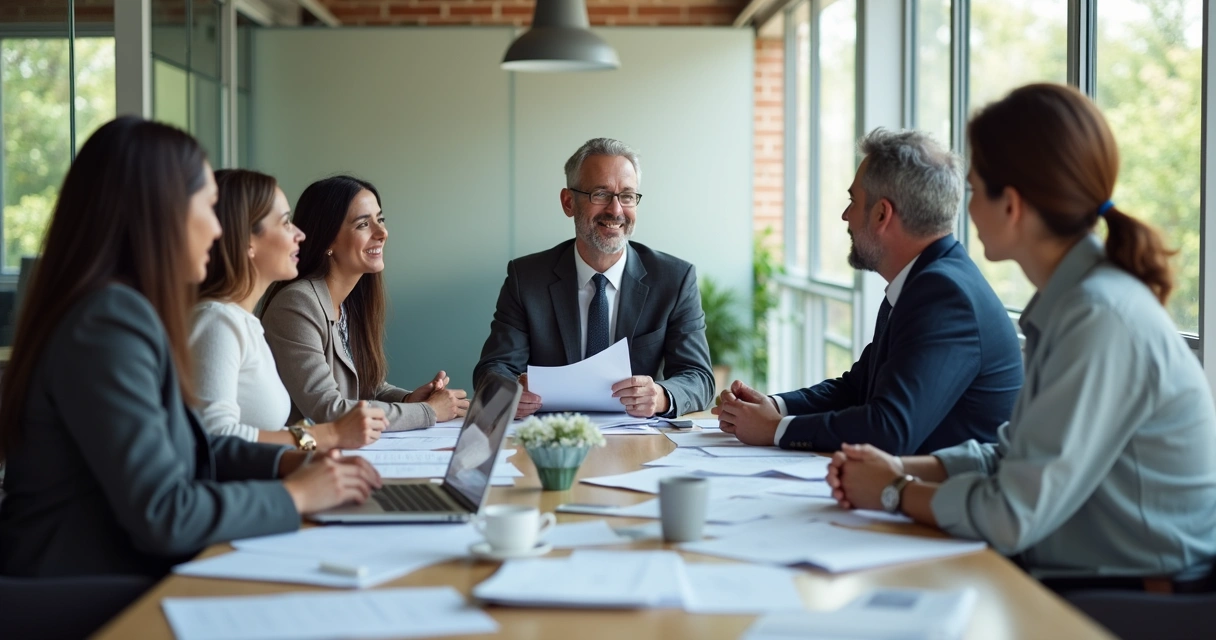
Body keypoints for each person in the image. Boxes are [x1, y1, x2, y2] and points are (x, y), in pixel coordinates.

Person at [827, 83, 1216, 586]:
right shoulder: (1078, 302)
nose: (962, 211)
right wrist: (897, 468)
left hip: (1132, 598)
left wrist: (893, 490)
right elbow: (1009, 458)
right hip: (1087, 575)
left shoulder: (1098, 316)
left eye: (972, 189)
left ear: (1010, 205)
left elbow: (1009, 514)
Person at [0, 117, 381, 578]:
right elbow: (165, 513)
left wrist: (289, 461)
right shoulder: (107, 322)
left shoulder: (126, 311)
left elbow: (197, 449)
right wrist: (297, 495)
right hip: (76, 586)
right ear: (159, 212)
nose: (219, 231)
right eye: (208, 206)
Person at [715, 129, 1023, 455]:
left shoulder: (945, 295)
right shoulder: (923, 282)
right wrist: (775, 407)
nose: (846, 216)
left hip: (938, 497)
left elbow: (890, 428)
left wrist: (775, 430)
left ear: (881, 214)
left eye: (853, 201)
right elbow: (857, 388)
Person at [473, 137, 714, 419]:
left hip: (638, 440)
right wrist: (510, 391)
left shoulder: (674, 279)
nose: (615, 210)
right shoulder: (526, 278)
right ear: (568, 202)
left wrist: (661, 396)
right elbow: (494, 369)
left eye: (626, 196)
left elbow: (698, 377)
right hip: (549, 438)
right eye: (600, 194)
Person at [190, 169, 386, 450]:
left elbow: (272, 433)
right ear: (248, 242)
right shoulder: (217, 323)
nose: (300, 234)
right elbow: (215, 436)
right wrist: (327, 436)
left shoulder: (245, 324)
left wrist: (315, 458)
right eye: (285, 223)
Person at [260, 176, 468, 431]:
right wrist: (427, 412)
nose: (382, 233)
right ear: (328, 240)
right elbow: (329, 409)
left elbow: (370, 386)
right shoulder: (297, 305)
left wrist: (407, 399)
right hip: (303, 460)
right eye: (363, 224)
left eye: (380, 220)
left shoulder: (349, 304)